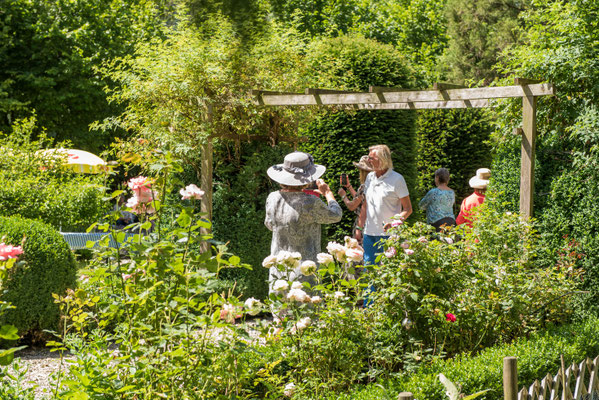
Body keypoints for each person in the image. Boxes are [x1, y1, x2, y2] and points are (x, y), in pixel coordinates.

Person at [265, 152, 342, 294]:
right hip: (305, 269)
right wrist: (328, 194)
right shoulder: (310, 202)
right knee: (305, 311)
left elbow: (270, 225)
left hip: (279, 269)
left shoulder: (273, 197)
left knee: (281, 311)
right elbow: (336, 215)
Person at [358, 144, 412, 266]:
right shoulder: (370, 178)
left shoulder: (397, 179)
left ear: (382, 159)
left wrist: (394, 223)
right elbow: (365, 205)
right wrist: (359, 228)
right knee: (369, 272)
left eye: (371, 158)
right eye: (368, 157)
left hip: (389, 236)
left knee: (389, 272)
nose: (368, 161)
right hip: (369, 234)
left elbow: (408, 209)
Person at [338, 155, 373, 244]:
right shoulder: (373, 184)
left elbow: (352, 206)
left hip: (362, 224)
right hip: (372, 223)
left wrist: (343, 196)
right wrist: (349, 187)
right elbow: (360, 200)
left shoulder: (364, 186)